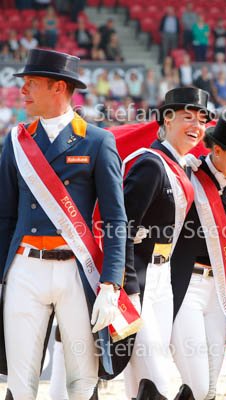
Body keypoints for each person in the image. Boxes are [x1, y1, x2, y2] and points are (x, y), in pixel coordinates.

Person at [0, 48, 126, 399]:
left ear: (58, 87)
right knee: (20, 382)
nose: (22, 90)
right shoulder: (16, 141)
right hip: (25, 268)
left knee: (82, 381)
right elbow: (4, 216)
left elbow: (115, 219)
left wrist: (111, 283)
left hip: (76, 269)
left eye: (31, 82)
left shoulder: (98, 140)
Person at [118, 87, 209, 399]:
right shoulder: (151, 164)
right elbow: (121, 227)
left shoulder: (183, 166)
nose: (196, 126)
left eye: (202, 120)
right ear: (167, 120)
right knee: (156, 375)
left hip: (163, 278)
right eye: (188, 117)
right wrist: (128, 285)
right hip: (139, 278)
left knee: (142, 378)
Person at [169, 109, 226, 400]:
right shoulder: (189, 173)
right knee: (198, 383)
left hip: (219, 287)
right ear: (217, 150)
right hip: (186, 284)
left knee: (209, 386)